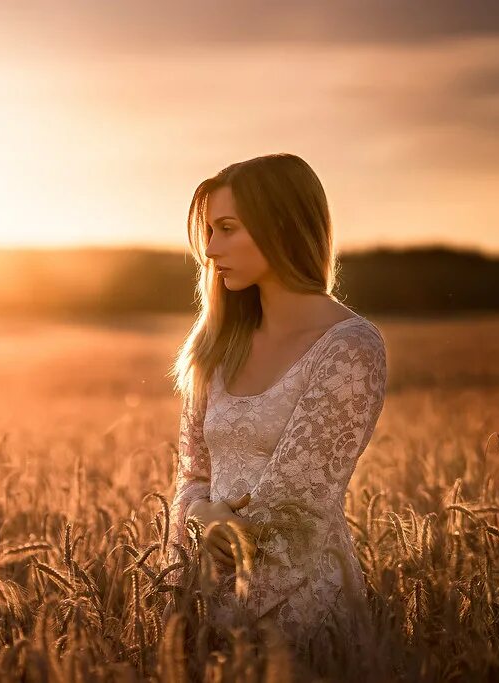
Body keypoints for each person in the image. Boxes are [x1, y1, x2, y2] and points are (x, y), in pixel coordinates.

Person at [166, 153, 387, 659]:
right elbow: (191, 477)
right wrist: (201, 518)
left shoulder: (349, 347)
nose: (210, 250)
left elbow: (297, 507)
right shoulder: (216, 345)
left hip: (302, 612)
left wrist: (234, 627)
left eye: (227, 229)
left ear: (281, 225)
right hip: (204, 599)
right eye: (209, 231)